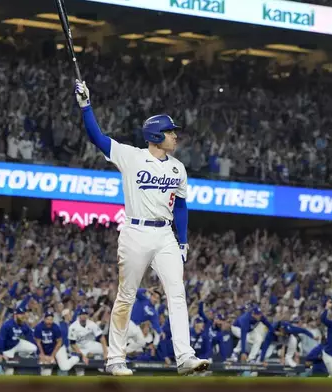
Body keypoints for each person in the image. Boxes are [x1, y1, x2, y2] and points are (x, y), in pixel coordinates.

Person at [75, 80, 208, 376]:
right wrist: (86, 106)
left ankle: (185, 356)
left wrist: (183, 240)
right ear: (155, 135)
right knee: (127, 295)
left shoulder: (178, 167)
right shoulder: (132, 156)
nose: (174, 136)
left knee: (177, 292)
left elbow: (182, 206)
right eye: (170, 132)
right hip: (135, 232)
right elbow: (97, 137)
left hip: (165, 235)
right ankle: (115, 359)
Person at [34, 311, 80, 376]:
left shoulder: (55, 327)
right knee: (45, 373)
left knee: (64, 367)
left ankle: (76, 357)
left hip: (58, 348)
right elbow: (38, 342)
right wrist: (42, 354)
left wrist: (52, 356)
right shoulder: (39, 327)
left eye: (51, 319)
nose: (49, 321)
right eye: (47, 319)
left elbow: (59, 342)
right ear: (44, 319)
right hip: (45, 348)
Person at [68, 308, 107, 376]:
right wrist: (82, 356)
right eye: (82, 314)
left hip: (89, 344)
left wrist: (105, 352)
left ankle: (104, 370)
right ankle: (80, 378)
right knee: (77, 361)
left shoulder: (91, 324)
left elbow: (101, 337)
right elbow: (72, 344)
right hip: (78, 347)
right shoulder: (73, 327)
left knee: (109, 350)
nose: (84, 316)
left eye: (85, 314)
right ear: (79, 316)